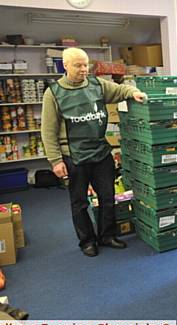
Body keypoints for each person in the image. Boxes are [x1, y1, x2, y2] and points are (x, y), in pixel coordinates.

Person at [41, 47, 147, 257]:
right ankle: (87, 241)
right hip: (74, 156)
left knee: (108, 197)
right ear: (65, 66)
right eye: (78, 65)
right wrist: (55, 160)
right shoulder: (53, 93)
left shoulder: (96, 84)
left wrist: (133, 92)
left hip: (100, 151)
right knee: (79, 202)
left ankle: (107, 235)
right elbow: (48, 130)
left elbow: (119, 90)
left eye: (86, 64)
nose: (83, 69)